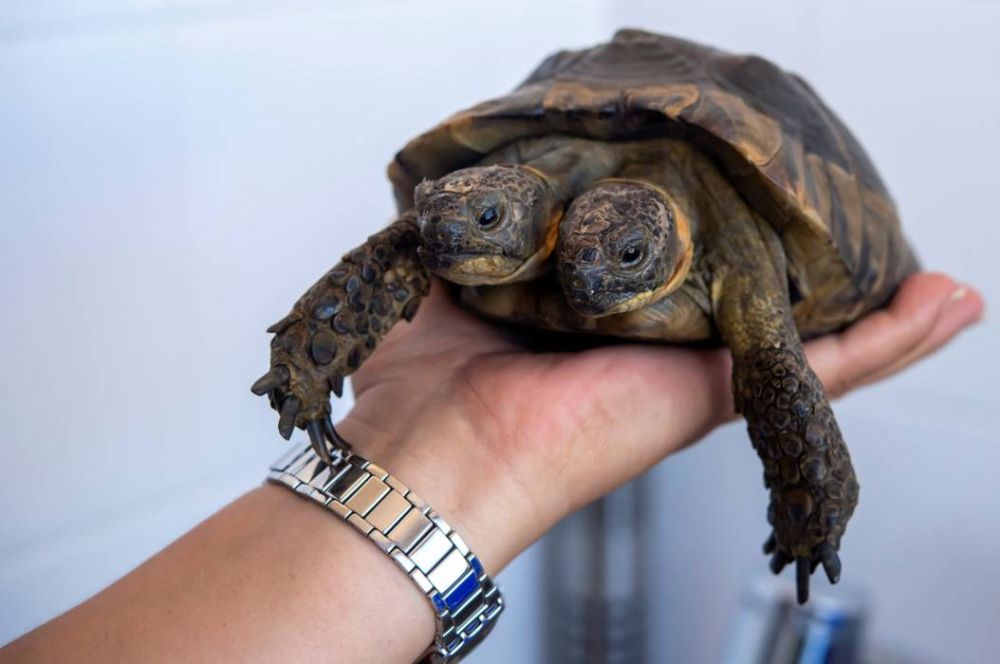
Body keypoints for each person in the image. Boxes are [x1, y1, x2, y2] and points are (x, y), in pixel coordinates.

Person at [0, 274, 982, 664]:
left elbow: (779, 380)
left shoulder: (733, 264)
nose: (593, 272)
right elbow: (418, 239)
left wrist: (810, 502)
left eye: (628, 253)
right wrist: (373, 407)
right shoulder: (488, 219)